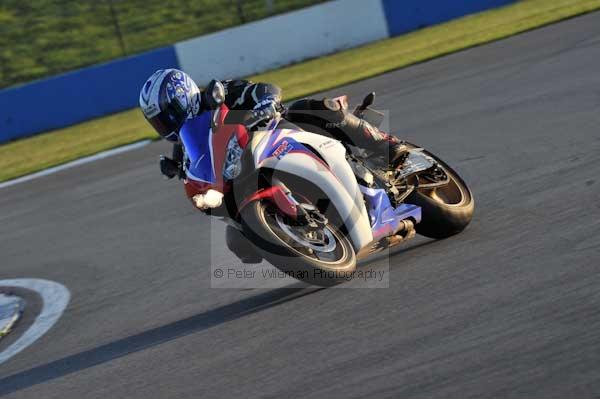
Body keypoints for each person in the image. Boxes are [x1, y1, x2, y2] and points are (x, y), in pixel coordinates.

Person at [139, 69, 408, 183]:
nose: (167, 125)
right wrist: (183, 175)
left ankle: (384, 144)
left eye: (168, 115)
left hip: (280, 136)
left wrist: (266, 101)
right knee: (236, 243)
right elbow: (201, 178)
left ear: (182, 96)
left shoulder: (219, 94)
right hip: (252, 175)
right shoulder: (186, 148)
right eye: (159, 122)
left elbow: (264, 89)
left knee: (310, 108)